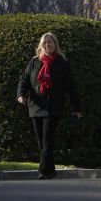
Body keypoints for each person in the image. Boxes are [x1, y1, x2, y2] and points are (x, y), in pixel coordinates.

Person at [16, 32, 82, 180]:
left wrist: (77, 108)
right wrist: (21, 95)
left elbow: (71, 88)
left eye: (50, 42)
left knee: (47, 139)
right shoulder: (34, 62)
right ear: (41, 45)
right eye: (45, 43)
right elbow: (24, 80)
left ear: (55, 45)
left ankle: (43, 171)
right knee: (42, 142)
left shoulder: (62, 63)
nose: (47, 45)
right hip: (35, 106)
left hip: (53, 107)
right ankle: (51, 169)